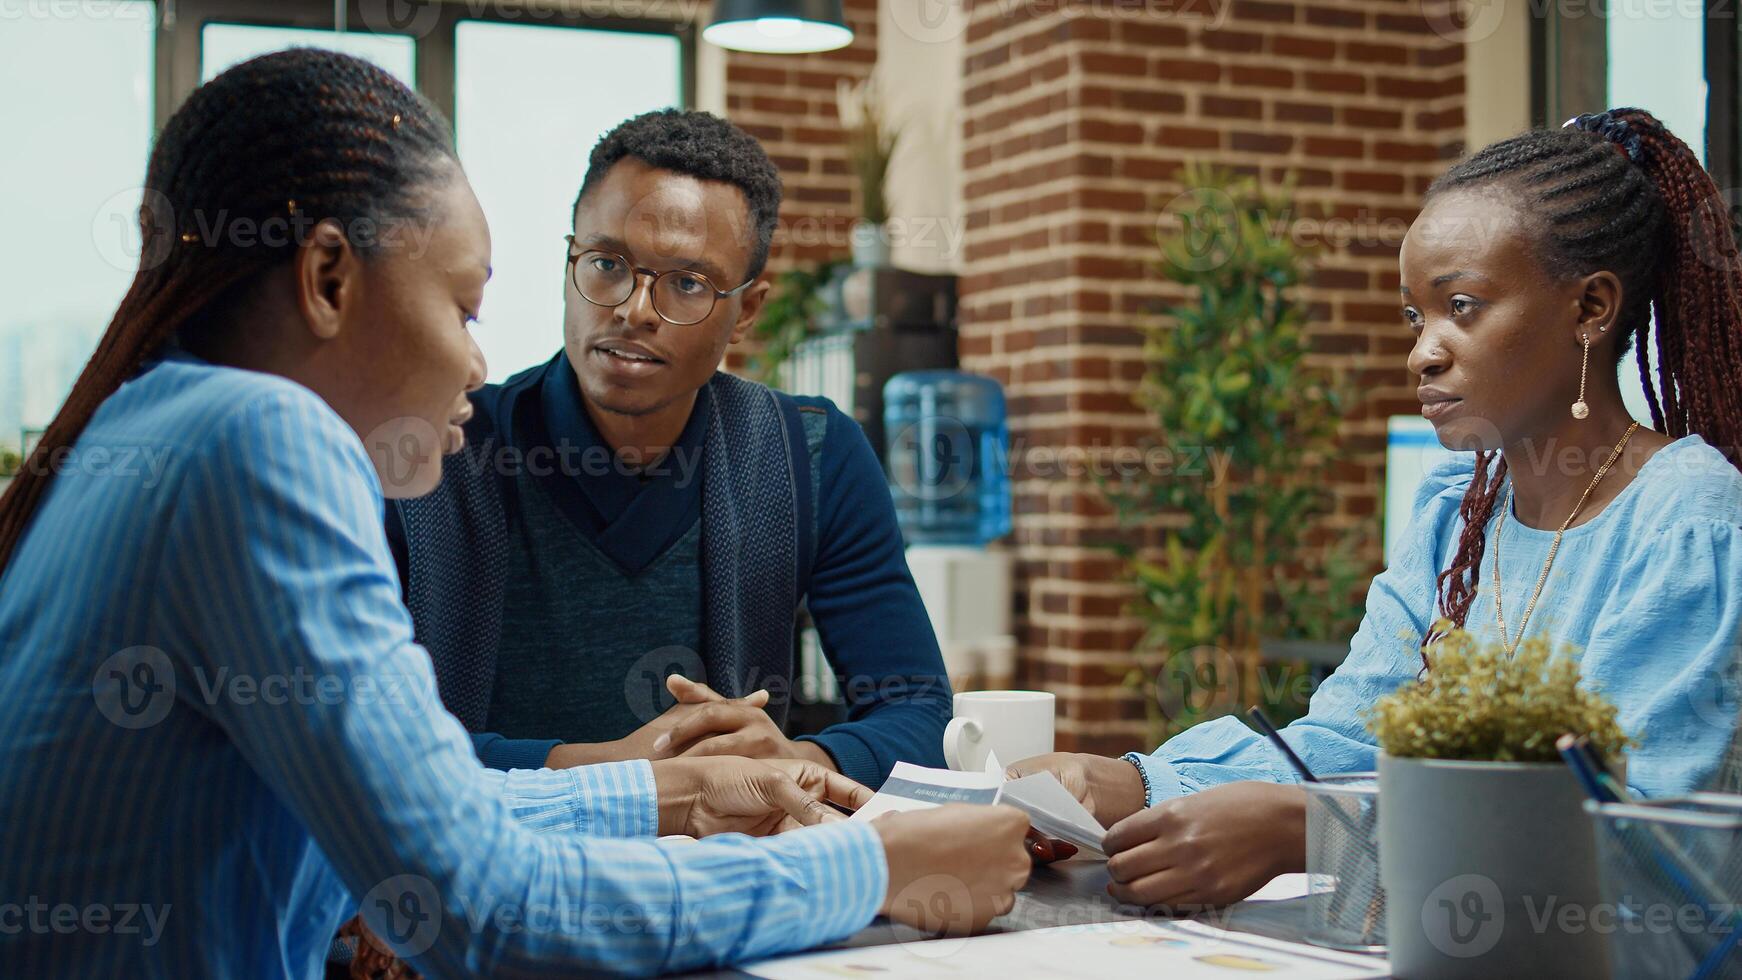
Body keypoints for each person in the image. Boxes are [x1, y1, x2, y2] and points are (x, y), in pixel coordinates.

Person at [0, 50, 1031, 976]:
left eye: (683, 282)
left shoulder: (155, 421)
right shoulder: (266, 442)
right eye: (462, 308)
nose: (477, 359)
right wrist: (869, 867)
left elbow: (422, 809)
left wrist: (683, 792)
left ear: (741, 306)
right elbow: (479, 900)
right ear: (325, 278)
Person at [1012, 107, 1742, 910]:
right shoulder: (1453, 512)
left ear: (1590, 309)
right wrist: (1129, 781)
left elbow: (1632, 837)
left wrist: (1314, 829)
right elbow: (1351, 733)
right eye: (1414, 315)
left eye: (1460, 306)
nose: (1422, 350)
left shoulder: (1689, 522)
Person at [384, 108, 951, 788]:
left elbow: (918, 713)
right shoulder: (437, 451)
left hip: (722, 877)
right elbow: (362, 743)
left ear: (749, 310)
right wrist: (614, 774)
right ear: (569, 259)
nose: (633, 309)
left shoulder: (813, 455)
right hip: (477, 878)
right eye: (606, 264)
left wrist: (797, 762)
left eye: (687, 283)